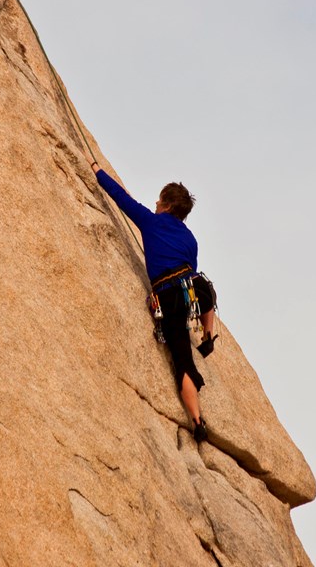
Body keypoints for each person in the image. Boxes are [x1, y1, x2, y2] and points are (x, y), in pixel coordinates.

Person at [87, 156, 218, 442]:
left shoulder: (151, 221)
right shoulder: (190, 238)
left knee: (182, 357)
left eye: (159, 201)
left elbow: (121, 199)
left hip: (168, 295)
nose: (155, 204)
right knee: (207, 288)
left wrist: (96, 168)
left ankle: (197, 421)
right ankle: (208, 334)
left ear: (167, 206)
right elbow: (192, 268)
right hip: (192, 287)